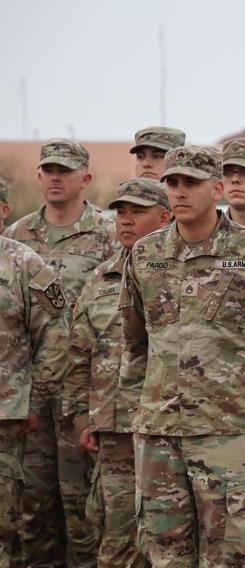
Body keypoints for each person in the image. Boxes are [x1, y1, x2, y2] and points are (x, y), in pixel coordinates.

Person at [119, 145, 245, 567]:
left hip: (228, 431)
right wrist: (139, 415)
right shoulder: (145, 256)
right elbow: (134, 343)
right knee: (165, 553)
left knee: (230, 552)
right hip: (160, 433)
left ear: (216, 189)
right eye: (173, 183)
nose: (179, 192)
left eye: (191, 183)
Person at [4, 138, 115, 567]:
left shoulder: (108, 234)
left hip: (82, 391)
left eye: (64, 171)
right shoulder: (18, 236)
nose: (55, 177)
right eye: (48, 169)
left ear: (85, 178)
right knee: (33, 502)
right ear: (37, 176)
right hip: (28, 391)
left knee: (83, 502)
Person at [62, 178, 171, 567]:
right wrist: (80, 418)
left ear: (164, 217)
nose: (125, 220)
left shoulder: (181, 275)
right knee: (117, 538)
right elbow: (78, 356)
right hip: (115, 432)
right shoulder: (101, 279)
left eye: (137, 212)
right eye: (120, 212)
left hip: (170, 430)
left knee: (170, 539)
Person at [0, 234, 67, 568]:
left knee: (4, 519)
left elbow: (55, 332)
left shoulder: (23, 262)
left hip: (4, 414)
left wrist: (36, 398)